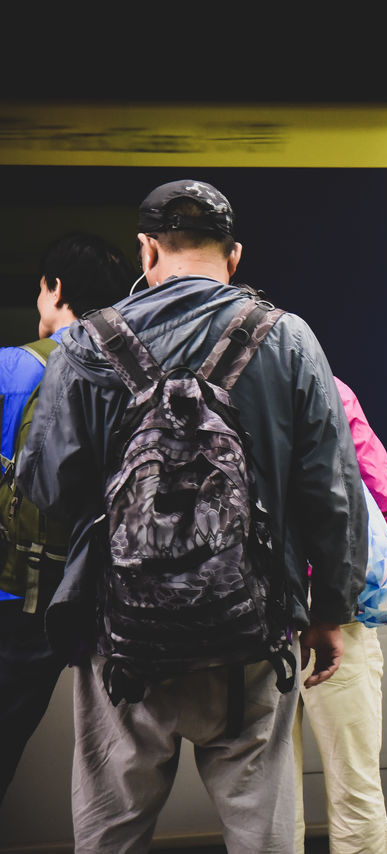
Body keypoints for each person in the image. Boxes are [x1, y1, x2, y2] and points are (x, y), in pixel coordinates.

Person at [16, 180, 367, 853]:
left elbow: (49, 490)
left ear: (148, 250)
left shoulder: (85, 346)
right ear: (232, 257)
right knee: (264, 836)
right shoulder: (289, 339)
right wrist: (331, 610)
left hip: (120, 641)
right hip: (253, 636)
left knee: (111, 833)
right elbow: (333, 491)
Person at [0, 233, 133, 804]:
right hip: (100, 600)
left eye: (40, 289)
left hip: (15, 600)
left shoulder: (13, 370)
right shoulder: (131, 378)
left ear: (55, 289)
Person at [294, 376, 387, 854]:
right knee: (354, 781)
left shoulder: (197, 383)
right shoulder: (319, 381)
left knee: (265, 795)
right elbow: (379, 489)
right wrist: (364, 576)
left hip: (244, 609)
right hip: (332, 607)